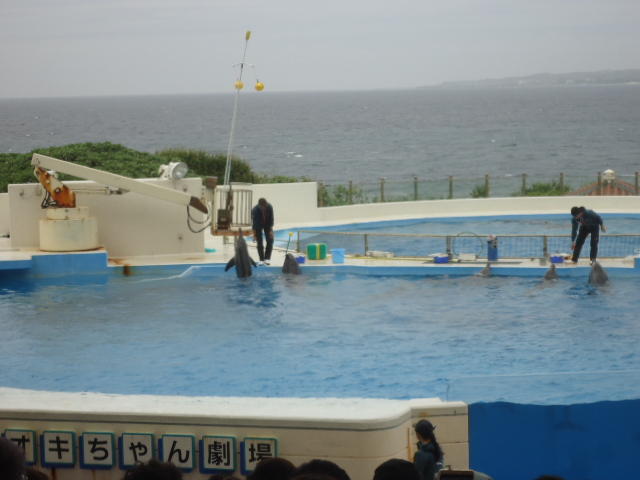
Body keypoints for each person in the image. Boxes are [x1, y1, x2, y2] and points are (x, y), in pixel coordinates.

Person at [252, 197, 274, 265]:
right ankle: (261, 259)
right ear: (260, 206)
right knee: (259, 242)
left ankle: (267, 258)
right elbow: (254, 223)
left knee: (270, 240)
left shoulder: (269, 207)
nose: (264, 207)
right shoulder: (255, 210)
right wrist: (254, 235)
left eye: (265, 206)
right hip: (258, 225)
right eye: (263, 206)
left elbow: (271, 219)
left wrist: (271, 230)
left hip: (267, 224)